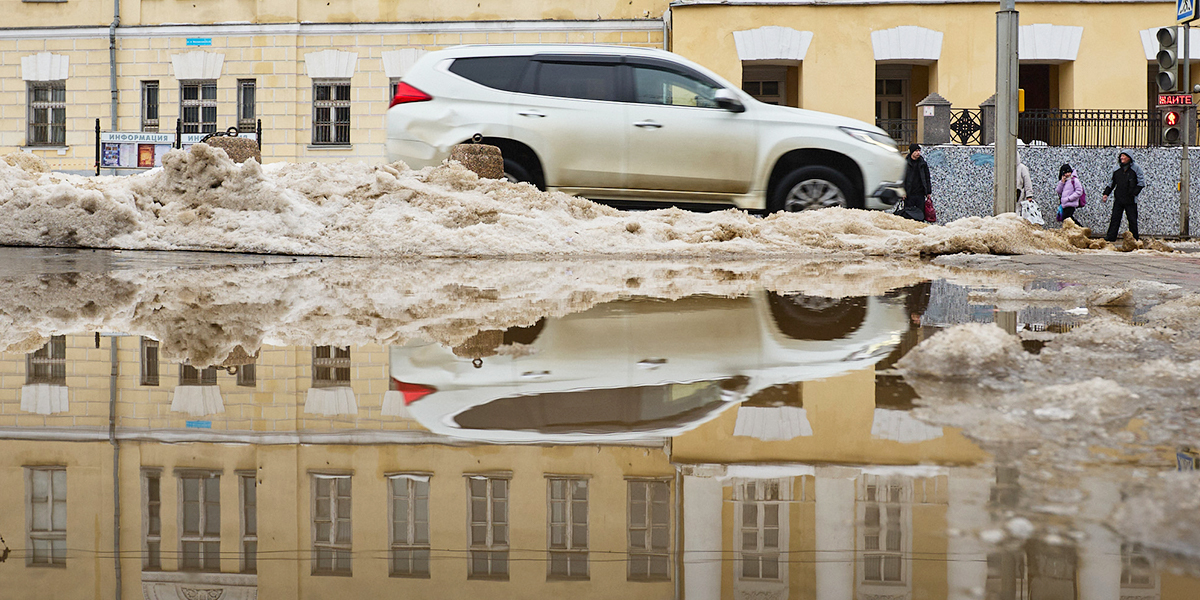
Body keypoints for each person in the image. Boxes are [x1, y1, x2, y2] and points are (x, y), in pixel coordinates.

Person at [1101, 150, 1143, 242]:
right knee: (1115, 219)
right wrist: (1106, 193)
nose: (1122, 158)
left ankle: (1134, 238)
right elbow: (1112, 183)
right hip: (1119, 198)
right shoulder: (1117, 169)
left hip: (1131, 200)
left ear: (1129, 157)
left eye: (1124, 156)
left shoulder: (1136, 168)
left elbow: (1141, 183)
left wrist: (1134, 194)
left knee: (1132, 220)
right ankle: (1111, 237)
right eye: (1121, 156)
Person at [899, 144, 931, 222]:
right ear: (911, 152)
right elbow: (901, 178)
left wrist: (928, 192)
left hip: (920, 194)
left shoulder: (923, 163)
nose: (918, 153)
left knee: (920, 215)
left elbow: (927, 178)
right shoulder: (905, 163)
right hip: (909, 194)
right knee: (909, 215)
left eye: (919, 151)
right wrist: (902, 192)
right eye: (916, 151)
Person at [1016, 153, 1043, 224]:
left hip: (1019, 193)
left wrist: (1029, 195)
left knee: (1018, 211)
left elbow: (1027, 182)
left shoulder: (1022, 168)